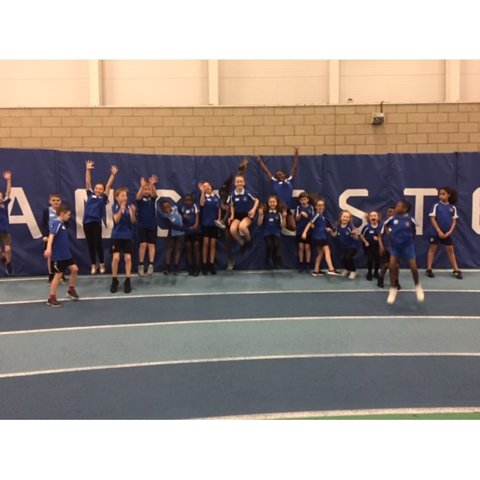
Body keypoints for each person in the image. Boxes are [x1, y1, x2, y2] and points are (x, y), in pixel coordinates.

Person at [380, 199, 424, 304]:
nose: (396, 208)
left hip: (408, 246)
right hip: (395, 246)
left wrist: (411, 239)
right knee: (391, 266)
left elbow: (414, 230)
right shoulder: (392, 219)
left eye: (398, 206)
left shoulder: (410, 219)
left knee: (413, 267)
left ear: (404, 209)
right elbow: (385, 225)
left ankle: (417, 286)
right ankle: (393, 288)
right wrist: (390, 235)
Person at [83, 160, 118, 274]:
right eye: (96, 188)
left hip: (96, 223)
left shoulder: (103, 198)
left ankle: (102, 263)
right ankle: (94, 264)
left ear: (103, 191)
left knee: (98, 243)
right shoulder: (90, 194)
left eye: (100, 189)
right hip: (87, 223)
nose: (98, 190)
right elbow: (88, 181)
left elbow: (108, 185)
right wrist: (88, 169)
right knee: (90, 245)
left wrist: (113, 174)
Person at [216, 157, 249, 270]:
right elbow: (220, 210)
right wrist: (222, 218)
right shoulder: (221, 201)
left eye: (224, 194)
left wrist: (242, 168)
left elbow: (238, 176)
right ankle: (230, 259)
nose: (223, 195)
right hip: (228, 220)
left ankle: (243, 241)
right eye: (221, 194)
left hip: (236, 217)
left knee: (238, 229)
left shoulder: (233, 193)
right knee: (227, 238)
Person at [43, 204, 80, 307]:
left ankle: (71, 290)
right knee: (58, 275)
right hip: (58, 256)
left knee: (75, 269)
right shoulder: (57, 223)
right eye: (68, 215)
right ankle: (51, 298)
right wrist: (49, 248)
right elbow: (51, 236)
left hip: (66, 255)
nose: (69, 217)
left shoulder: (62, 224)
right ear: (62, 214)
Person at [256, 147, 299, 231]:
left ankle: (280, 224)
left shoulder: (290, 180)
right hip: (277, 207)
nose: (279, 175)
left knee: (293, 227)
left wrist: (296, 156)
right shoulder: (275, 182)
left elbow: (294, 167)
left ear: (284, 174)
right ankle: (274, 223)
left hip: (287, 208)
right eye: (277, 175)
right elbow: (266, 171)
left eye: (280, 174)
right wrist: (260, 161)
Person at [426, 186, 462, 280]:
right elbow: (432, 219)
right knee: (432, 249)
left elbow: (454, 221)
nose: (441, 196)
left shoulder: (452, 208)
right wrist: (439, 231)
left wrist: (449, 232)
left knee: (450, 251)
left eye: (443, 194)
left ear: (448, 195)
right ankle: (429, 269)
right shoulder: (436, 206)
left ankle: (456, 269)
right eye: (440, 194)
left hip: (447, 234)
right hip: (436, 232)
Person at [301, 198, 339, 276]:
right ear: (315, 207)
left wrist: (327, 229)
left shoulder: (322, 216)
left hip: (320, 237)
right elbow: (309, 223)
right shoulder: (317, 214)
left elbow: (319, 226)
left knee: (321, 253)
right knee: (327, 252)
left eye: (322, 205)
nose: (321, 207)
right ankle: (331, 269)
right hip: (319, 237)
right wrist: (304, 233)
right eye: (319, 205)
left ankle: (316, 270)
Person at [110, 187, 136, 294]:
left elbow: (133, 221)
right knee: (116, 258)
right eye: (122, 195)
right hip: (116, 236)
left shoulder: (130, 207)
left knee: (128, 258)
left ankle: (127, 280)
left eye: (126, 195)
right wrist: (121, 209)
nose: (125, 197)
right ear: (117, 197)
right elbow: (116, 219)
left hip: (127, 236)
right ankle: (114, 280)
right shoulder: (114, 206)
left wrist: (133, 212)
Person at [228, 175, 259, 253]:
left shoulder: (247, 193)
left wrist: (253, 210)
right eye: (237, 182)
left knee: (242, 227)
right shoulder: (232, 195)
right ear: (235, 184)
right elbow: (231, 205)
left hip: (247, 215)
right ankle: (242, 243)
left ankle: (248, 240)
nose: (239, 183)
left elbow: (257, 200)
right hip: (237, 216)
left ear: (244, 183)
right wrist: (232, 216)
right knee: (232, 230)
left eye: (241, 181)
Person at [40, 193, 67, 284]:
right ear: (50, 201)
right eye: (53, 200)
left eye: (57, 200)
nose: (55, 202)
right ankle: (51, 275)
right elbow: (43, 224)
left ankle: (61, 274)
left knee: (61, 256)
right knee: (50, 257)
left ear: (60, 201)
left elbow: (67, 223)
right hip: (49, 237)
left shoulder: (63, 211)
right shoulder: (46, 211)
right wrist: (45, 235)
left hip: (60, 237)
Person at [135, 175, 158, 276]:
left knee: (151, 245)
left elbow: (155, 194)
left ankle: (151, 265)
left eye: (148, 189)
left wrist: (152, 185)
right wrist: (142, 186)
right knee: (143, 245)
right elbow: (138, 196)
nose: (147, 191)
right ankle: (141, 265)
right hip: (142, 225)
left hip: (152, 225)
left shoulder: (152, 199)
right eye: (145, 189)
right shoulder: (140, 199)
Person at [257, 195, 287, 268]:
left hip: (276, 232)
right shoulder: (265, 212)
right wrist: (260, 215)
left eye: (274, 202)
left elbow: (283, 226)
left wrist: (284, 217)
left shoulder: (279, 213)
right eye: (270, 202)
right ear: (268, 203)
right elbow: (259, 223)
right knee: (269, 245)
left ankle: (274, 259)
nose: (272, 204)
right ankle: (267, 259)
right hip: (267, 232)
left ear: (276, 203)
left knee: (276, 245)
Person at [198, 181, 220, 275]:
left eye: (208, 186)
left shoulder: (216, 198)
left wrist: (219, 219)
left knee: (213, 244)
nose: (206, 187)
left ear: (211, 186)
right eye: (204, 186)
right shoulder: (203, 197)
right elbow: (202, 204)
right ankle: (204, 264)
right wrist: (202, 192)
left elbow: (219, 209)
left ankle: (211, 264)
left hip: (214, 224)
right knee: (205, 243)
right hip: (205, 224)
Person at [376, 206, 401, 290]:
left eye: (391, 212)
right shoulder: (383, 224)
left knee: (396, 266)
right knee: (385, 265)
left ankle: (395, 281)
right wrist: (381, 246)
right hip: (385, 248)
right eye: (388, 212)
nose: (389, 213)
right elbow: (379, 236)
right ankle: (380, 278)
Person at [159, 200, 185, 275]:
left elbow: (182, 214)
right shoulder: (165, 216)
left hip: (181, 233)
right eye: (165, 207)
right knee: (169, 249)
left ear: (170, 205)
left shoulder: (176, 208)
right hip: (172, 233)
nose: (167, 208)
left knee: (178, 249)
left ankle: (176, 267)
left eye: (168, 206)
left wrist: (184, 216)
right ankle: (167, 267)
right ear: (163, 209)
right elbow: (172, 225)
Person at [333, 210, 359, 280]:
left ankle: (353, 271)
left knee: (348, 257)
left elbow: (356, 238)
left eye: (347, 217)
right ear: (340, 218)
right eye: (344, 217)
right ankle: (347, 269)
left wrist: (354, 234)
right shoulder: (337, 226)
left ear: (349, 219)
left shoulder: (351, 227)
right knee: (342, 258)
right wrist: (330, 232)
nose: (345, 218)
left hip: (352, 246)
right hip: (344, 247)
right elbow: (335, 235)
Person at [180, 193, 201, 276]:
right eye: (186, 200)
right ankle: (190, 267)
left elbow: (197, 217)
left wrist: (195, 225)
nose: (187, 202)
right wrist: (184, 218)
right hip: (187, 231)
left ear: (192, 200)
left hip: (195, 231)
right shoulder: (183, 208)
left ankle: (197, 267)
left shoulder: (195, 206)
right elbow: (181, 219)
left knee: (196, 248)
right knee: (188, 249)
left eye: (189, 200)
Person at [295, 191, 315, 272]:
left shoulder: (311, 207)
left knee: (307, 247)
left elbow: (313, 219)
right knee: (301, 247)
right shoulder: (298, 208)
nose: (303, 201)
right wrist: (301, 214)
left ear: (308, 200)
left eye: (305, 199)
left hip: (309, 230)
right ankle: (301, 264)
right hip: (300, 230)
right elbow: (296, 219)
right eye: (302, 200)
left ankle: (308, 264)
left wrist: (311, 224)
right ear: (300, 201)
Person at [360, 210, 382, 281]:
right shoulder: (366, 227)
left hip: (378, 247)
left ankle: (376, 272)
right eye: (371, 216)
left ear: (378, 217)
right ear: (369, 218)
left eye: (375, 215)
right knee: (370, 259)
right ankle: (369, 273)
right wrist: (366, 242)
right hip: (369, 247)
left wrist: (378, 239)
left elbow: (385, 237)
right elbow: (361, 235)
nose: (373, 217)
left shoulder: (381, 227)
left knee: (377, 260)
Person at [0, 171, 13, 276]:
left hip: (5, 230)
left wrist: (8, 180)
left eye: (0, 195)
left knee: (8, 249)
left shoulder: (4, 203)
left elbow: (8, 192)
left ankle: (8, 264)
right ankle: (3, 259)